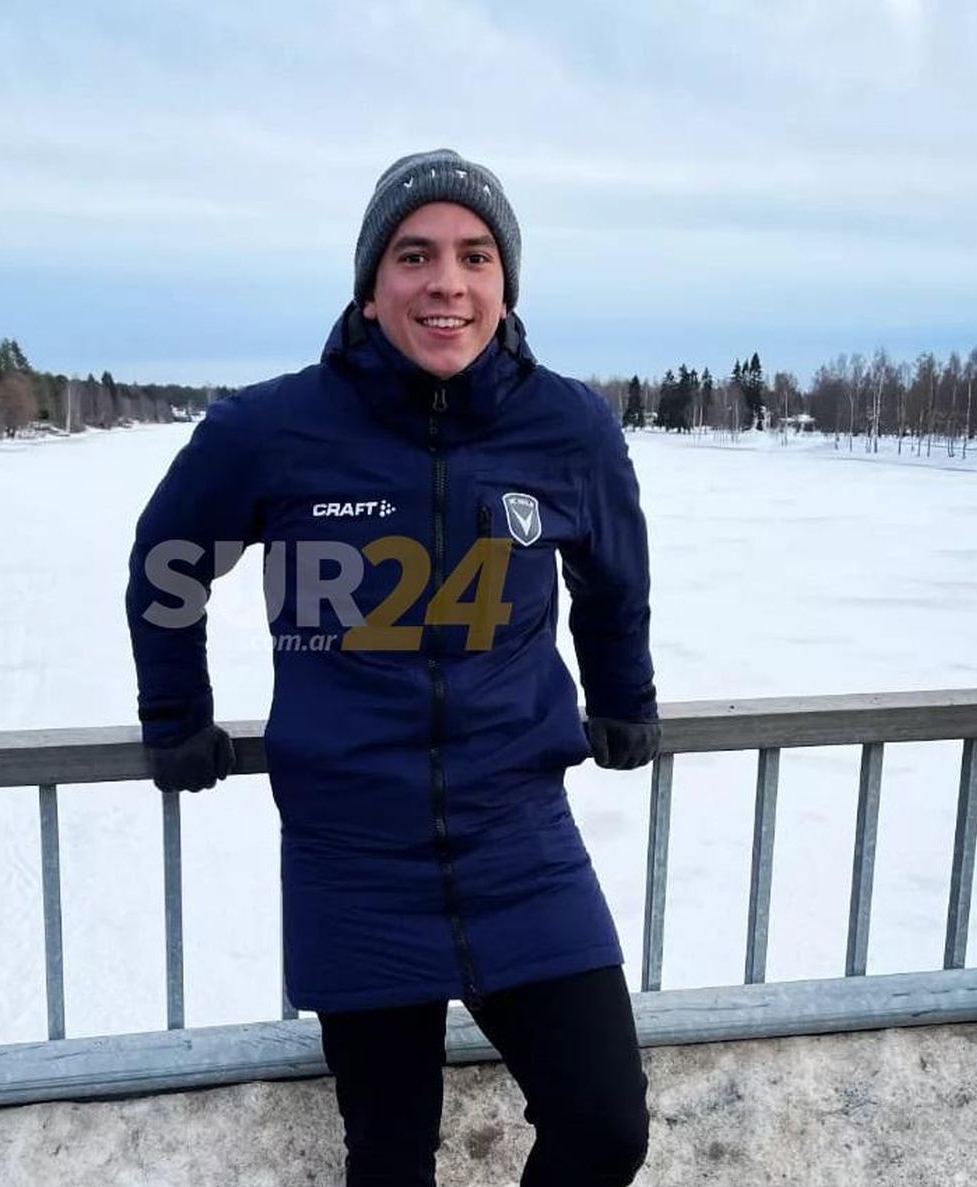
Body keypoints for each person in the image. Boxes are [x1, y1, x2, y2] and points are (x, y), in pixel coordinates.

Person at [126, 149, 659, 1187]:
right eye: (414, 255)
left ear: (505, 285)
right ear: (371, 288)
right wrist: (175, 714)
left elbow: (615, 580)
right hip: (352, 853)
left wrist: (622, 698)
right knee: (389, 1155)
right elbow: (167, 566)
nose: (445, 282)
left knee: (605, 1124)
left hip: (520, 838)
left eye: (473, 255)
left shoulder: (568, 427)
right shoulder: (272, 428)